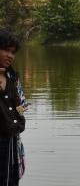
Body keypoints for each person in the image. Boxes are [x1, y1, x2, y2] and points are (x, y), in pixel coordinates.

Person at [0, 29, 27, 186]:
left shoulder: (13, 78)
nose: (10, 55)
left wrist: (20, 118)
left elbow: (21, 106)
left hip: (11, 140)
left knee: (10, 180)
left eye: (13, 52)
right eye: (5, 50)